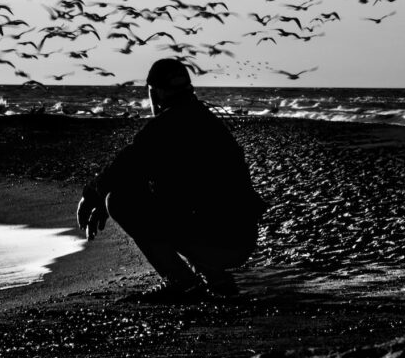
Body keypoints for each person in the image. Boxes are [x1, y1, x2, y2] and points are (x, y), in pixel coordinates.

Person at [76, 58, 267, 303]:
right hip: (242, 239)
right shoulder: (207, 120)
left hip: (218, 240)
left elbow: (126, 166)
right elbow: (135, 171)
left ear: (156, 93)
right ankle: (213, 276)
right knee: (163, 196)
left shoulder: (165, 126)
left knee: (120, 200)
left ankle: (182, 283)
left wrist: (93, 196)